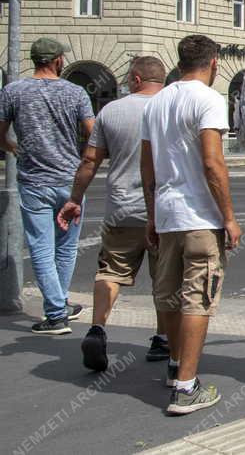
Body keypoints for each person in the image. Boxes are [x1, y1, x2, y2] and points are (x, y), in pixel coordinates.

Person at [141, 35, 241, 415]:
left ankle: (173, 365)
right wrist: (229, 217)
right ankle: (186, 387)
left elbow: (146, 165)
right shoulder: (209, 100)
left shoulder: (157, 102)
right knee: (197, 296)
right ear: (214, 62)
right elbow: (213, 163)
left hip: (167, 214)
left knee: (168, 294)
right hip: (200, 215)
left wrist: (152, 213)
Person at [57, 56, 170, 371]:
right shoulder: (171, 106)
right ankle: (162, 338)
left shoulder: (111, 111)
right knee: (164, 277)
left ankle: (97, 329)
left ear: (135, 79)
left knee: (110, 272)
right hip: (162, 210)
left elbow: (90, 161)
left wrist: (75, 198)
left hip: (122, 209)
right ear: (161, 80)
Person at [0, 38, 94, 334]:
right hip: (71, 181)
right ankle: (58, 307)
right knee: (66, 248)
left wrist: (13, 147)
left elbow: (0, 134)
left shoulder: (13, 91)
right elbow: (93, 134)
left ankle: (56, 311)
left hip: (33, 181)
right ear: (57, 61)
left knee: (41, 248)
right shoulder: (76, 92)